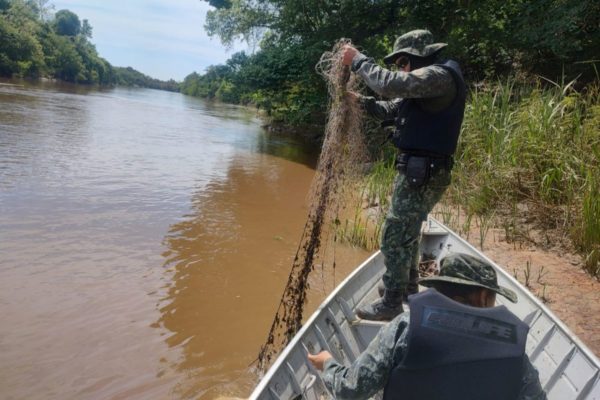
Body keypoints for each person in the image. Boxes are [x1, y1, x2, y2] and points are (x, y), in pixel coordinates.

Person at [341, 30, 467, 321]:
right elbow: (387, 108)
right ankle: (409, 289)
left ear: (417, 56)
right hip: (418, 171)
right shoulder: (422, 90)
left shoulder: (438, 77)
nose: (399, 68)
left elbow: (388, 86)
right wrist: (356, 100)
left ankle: (391, 302)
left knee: (394, 236)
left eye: (401, 62)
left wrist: (358, 60)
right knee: (408, 235)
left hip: (422, 173)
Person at [308, 253, 547, 400]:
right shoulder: (511, 350)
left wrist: (327, 364)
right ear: (484, 296)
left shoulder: (406, 326)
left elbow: (351, 390)